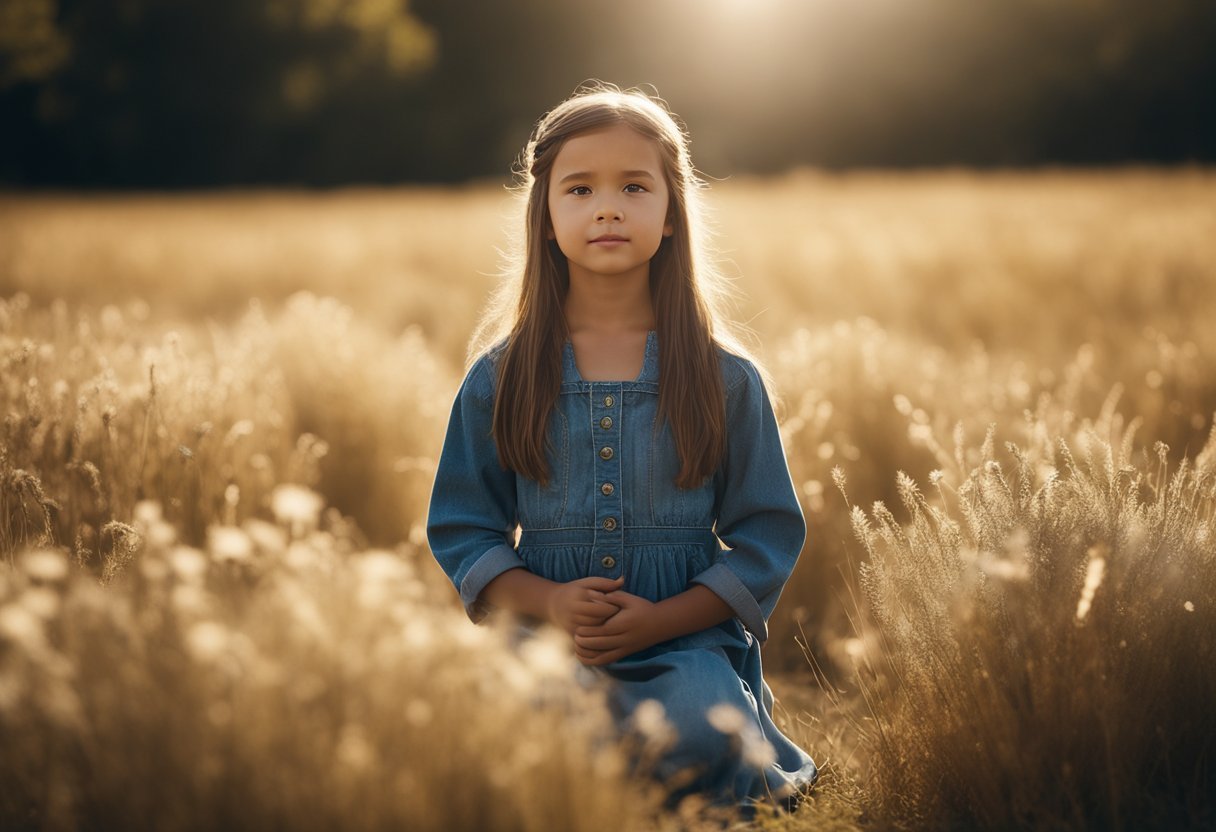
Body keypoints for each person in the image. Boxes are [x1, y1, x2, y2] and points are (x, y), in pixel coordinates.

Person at [426, 82, 818, 813]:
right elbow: (463, 526)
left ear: (671, 214)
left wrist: (665, 619)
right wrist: (548, 601)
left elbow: (767, 533)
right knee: (525, 728)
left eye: (634, 186)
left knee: (703, 731)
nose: (607, 207)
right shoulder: (501, 376)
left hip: (688, 645)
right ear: (545, 216)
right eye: (579, 189)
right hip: (546, 641)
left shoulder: (724, 377)